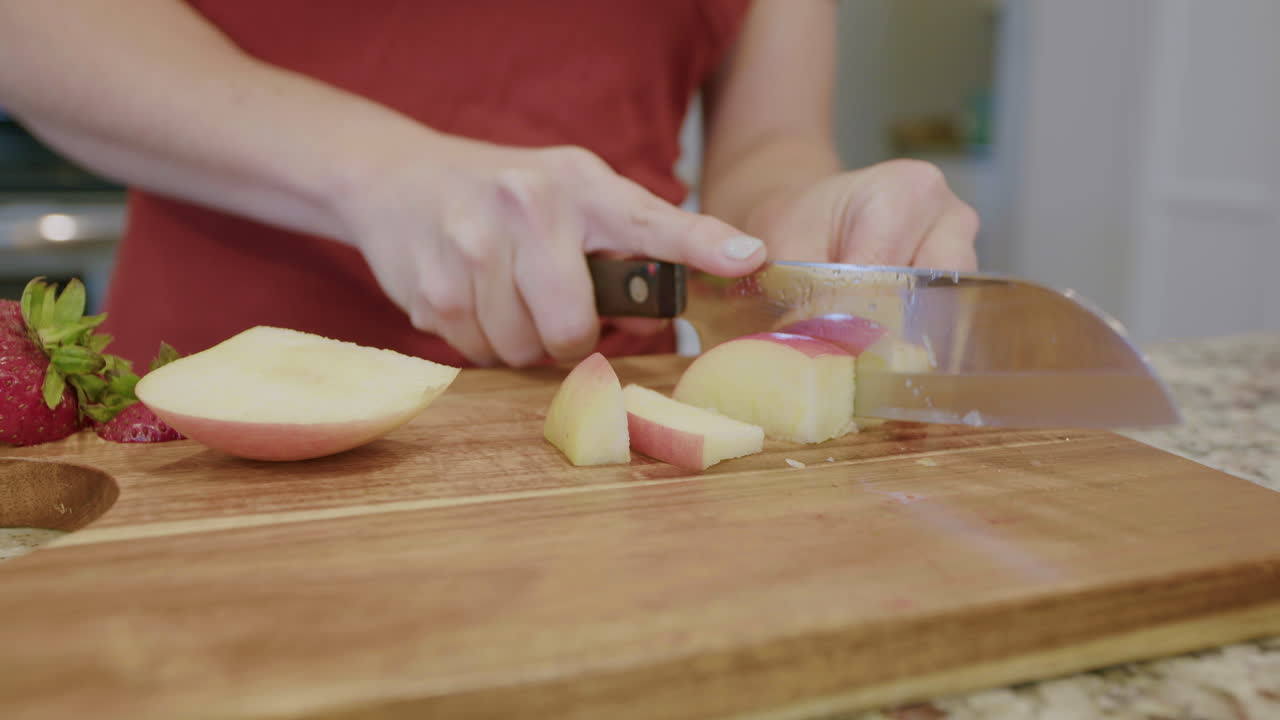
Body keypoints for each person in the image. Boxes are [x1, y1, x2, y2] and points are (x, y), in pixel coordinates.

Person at [0, 0, 978, 370]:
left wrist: (798, 228)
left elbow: (769, 141)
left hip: (594, 436)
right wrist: (379, 172)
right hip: (204, 429)